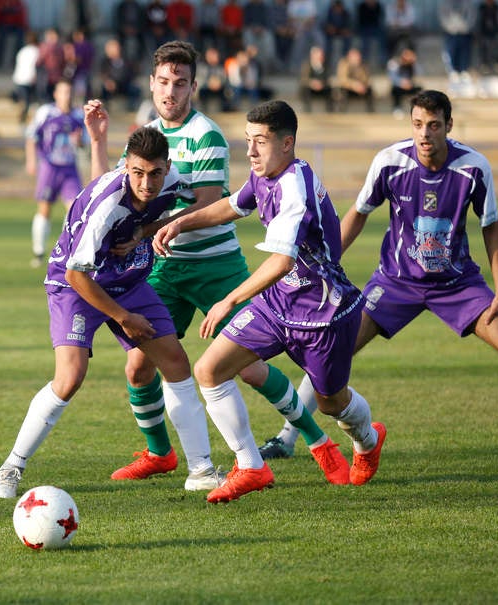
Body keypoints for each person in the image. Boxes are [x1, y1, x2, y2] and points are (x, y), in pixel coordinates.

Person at [257, 90, 498, 466]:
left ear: (449, 125)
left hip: (457, 283)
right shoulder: (390, 162)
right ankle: (287, 439)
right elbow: (359, 212)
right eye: (418, 125)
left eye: (433, 125)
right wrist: (329, 264)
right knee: (335, 351)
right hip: (395, 282)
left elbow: (491, 226)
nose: (425, 134)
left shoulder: (473, 167)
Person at [85, 41, 347, 492]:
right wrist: (96, 139)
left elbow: (210, 200)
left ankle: (318, 441)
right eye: (164, 82)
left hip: (216, 265)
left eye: (180, 83)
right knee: (138, 367)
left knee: (246, 365)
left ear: (193, 87)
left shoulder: (205, 133)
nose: (170, 91)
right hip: (165, 269)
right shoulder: (147, 132)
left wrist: (149, 231)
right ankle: (159, 453)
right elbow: (111, 189)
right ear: (151, 84)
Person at [152, 100, 387, 502]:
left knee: (332, 403)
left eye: (260, 141)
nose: (251, 151)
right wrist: (180, 222)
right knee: (210, 370)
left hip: (323, 314)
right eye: (247, 140)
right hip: (277, 306)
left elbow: (281, 261)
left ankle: (367, 440)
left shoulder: (295, 185)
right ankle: (251, 467)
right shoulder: (264, 175)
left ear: (287, 143)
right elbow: (231, 206)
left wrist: (228, 300)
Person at [0, 127, 192, 498]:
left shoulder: (174, 181)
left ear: (167, 167)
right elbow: (75, 273)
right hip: (76, 285)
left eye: (154, 174)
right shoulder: (107, 206)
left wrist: (149, 229)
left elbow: (203, 203)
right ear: (126, 167)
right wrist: (123, 317)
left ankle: (202, 470)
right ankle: (12, 466)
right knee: (70, 377)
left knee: (175, 361)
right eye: (137, 173)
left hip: (127, 280)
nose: (147, 183)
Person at [25, 79, 85, 267]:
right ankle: (38, 252)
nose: (66, 96)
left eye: (69, 92)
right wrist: (32, 160)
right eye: (63, 92)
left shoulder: (77, 115)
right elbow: (31, 136)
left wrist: (79, 142)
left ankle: (65, 252)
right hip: (50, 167)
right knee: (44, 209)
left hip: (69, 168)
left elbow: (84, 142)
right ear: (56, 94)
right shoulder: (46, 112)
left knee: (74, 211)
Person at [98, 38, 142, 112]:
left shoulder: (126, 59)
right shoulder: (105, 61)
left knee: (135, 89)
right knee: (104, 88)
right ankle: (106, 107)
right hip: (112, 85)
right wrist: (108, 81)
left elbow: (132, 73)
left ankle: (132, 107)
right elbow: (103, 73)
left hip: (125, 83)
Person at [333, 47, 375, 113]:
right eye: (355, 56)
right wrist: (354, 85)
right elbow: (342, 79)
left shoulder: (363, 65)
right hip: (348, 88)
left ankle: (371, 112)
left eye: (358, 56)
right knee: (343, 91)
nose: (358, 58)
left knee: (369, 90)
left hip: (360, 88)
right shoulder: (343, 64)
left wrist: (361, 85)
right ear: (349, 57)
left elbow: (366, 79)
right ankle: (341, 112)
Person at [0, 0, 28, 69]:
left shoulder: (17, 2)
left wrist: (24, 25)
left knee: (20, 40)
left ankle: (18, 58)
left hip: (16, 25)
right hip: (4, 25)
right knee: (1, 40)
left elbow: (21, 13)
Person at [11, 30, 39, 123]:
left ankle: (23, 116)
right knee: (27, 101)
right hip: (28, 79)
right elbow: (34, 66)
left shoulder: (22, 51)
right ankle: (23, 118)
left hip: (19, 78)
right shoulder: (36, 51)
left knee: (24, 100)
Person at [387, 46, 422, 116]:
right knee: (395, 90)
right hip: (398, 86)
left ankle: (419, 109)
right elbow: (392, 77)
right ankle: (397, 109)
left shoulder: (413, 64)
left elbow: (420, 74)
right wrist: (401, 83)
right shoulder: (394, 62)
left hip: (410, 85)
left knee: (420, 90)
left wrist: (414, 63)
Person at [298, 45, 334, 112]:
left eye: (321, 55)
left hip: (322, 87)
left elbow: (329, 77)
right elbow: (303, 78)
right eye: (318, 55)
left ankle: (330, 109)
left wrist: (321, 83)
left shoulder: (326, 65)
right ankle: (307, 109)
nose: (320, 57)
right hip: (310, 88)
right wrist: (312, 83)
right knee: (304, 88)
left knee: (330, 88)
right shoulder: (306, 65)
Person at [477, 0, 498, 75]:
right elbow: (477, 21)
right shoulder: (481, 8)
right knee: (483, 42)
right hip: (484, 32)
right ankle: (484, 64)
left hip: (496, 31)